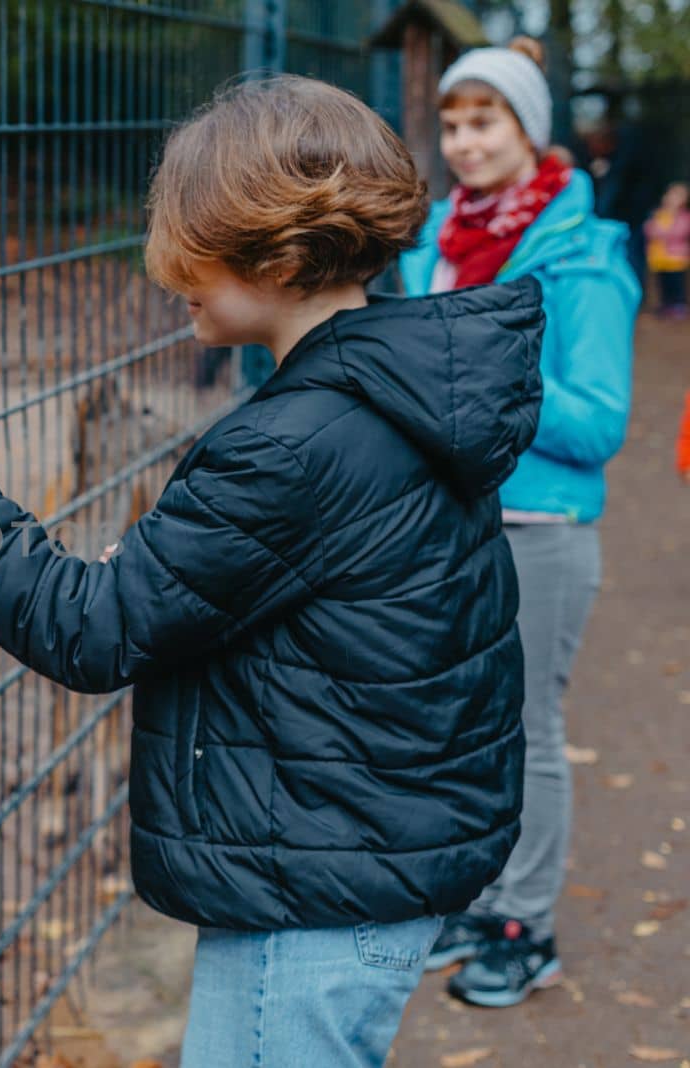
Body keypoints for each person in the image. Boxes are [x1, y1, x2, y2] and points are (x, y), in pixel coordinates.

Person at [0, 75, 541, 1067]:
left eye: (192, 252)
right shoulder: (401, 391)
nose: (171, 277)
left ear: (276, 255)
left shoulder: (293, 444)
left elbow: (90, 629)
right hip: (367, 854)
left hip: (313, 894)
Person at [399, 37, 640, 1009]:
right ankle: (477, 895)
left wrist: (479, 372)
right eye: (451, 124)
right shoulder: (436, 245)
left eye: (483, 121)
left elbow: (597, 423)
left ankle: (524, 924)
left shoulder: (584, 258)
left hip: (538, 526)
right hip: (445, 527)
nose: (461, 143)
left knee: (524, 728)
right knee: (456, 725)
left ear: (527, 128)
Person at [645, 182, 690, 318]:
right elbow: (648, 230)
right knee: (662, 283)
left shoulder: (684, 217)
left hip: (676, 258)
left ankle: (679, 304)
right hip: (659, 257)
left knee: (676, 283)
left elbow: (681, 231)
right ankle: (666, 304)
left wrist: (663, 233)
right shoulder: (658, 214)